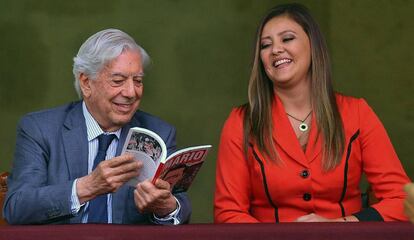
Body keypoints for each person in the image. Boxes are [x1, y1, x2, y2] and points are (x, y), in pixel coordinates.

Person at [214, 3, 410, 223]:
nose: (276, 49)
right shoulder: (241, 122)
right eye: (265, 45)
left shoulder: (357, 112)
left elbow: (402, 199)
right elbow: (228, 213)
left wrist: (340, 226)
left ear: (313, 45)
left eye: (287, 39)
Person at [3, 29, 190, 225]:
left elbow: (181, 205)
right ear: (86, 83)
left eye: (138, 81)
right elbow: (17, 207)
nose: (130, 92)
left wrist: (166, 207)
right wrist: (86, 187)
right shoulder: (40, 129)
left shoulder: (158, 133)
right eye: (118, 81)